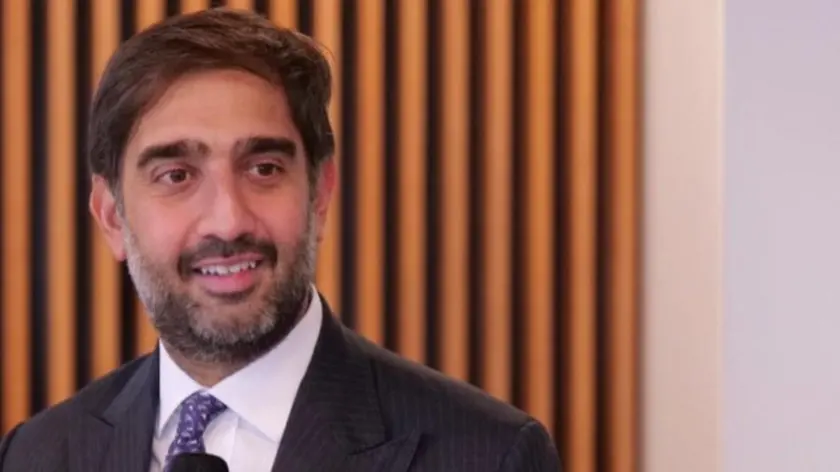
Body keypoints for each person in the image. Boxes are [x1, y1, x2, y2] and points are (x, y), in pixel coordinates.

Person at [0, 8, 560, 472]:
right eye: (177, 175)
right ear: (111, 218)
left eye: (263, 168)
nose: (227, 222)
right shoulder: (38, 455)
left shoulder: (489, 455)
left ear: (320, 193)